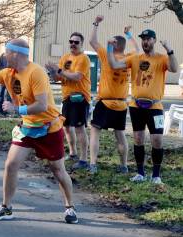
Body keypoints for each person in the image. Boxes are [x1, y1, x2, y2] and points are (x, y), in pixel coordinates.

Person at [0, 38, 78, 224]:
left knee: (58, 170)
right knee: (11, 165)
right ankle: (6, 207)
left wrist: (16, 109)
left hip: (49, 127)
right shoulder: (7, 73)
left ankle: (70, 208)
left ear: (16, 54)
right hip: (27, 128)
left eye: (6, 52)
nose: (4, 55)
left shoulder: (36, 73)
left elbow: (42, 105)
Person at [107, 29, 178, 184]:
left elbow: (174, 68)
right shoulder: (135, 58)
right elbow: (113, 64)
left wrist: (169, 50)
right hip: (136, 106)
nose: (145, 42)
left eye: (148, 39)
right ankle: (140, 173)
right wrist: (109, 48)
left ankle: (156, 175)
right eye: (143, 39)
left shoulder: (161, 58)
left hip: (155, 107)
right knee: (138, 139)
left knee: (157, 140)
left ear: (154, 40)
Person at [87, 15, 139, 173]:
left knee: (95, 131)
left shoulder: (106, 54)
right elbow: (138, 49)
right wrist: (129, 35)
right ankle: (123, 166)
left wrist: (96, 23)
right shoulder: (130, 58)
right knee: (120, 135)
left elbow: (92, 42)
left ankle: (93, 164)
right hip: (122, 103)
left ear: (114, 44)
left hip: (105, 102)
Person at [45, 32, 91, 170]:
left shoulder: (84, 59)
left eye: (76, 42)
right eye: (71, 41)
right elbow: (58, 78)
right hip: (67, 98)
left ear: (81, 44)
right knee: (66, 126)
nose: (73, 44)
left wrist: (59, 70)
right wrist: (52, 72)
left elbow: (77, 77)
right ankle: (73, 153)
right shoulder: (65, 57)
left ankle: (84, 159)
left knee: (79, 128)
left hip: (80, 98)